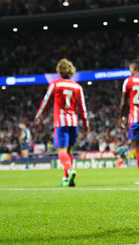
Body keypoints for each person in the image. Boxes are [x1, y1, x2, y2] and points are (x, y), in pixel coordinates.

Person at [35, 58, 89, 186]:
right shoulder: (77, 86)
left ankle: (69, 171)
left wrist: (39, 114)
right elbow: (82, 107)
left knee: (61, 151)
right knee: (69, 151)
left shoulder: (55, 84)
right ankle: (66, 179)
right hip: (73, 122)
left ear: (59, 71)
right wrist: (86, 123)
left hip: (61, 121)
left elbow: (46, 100)